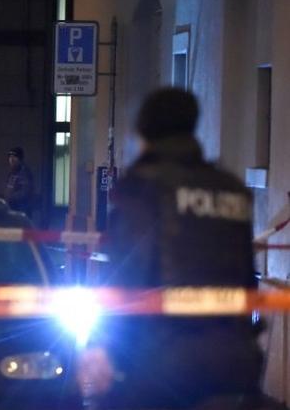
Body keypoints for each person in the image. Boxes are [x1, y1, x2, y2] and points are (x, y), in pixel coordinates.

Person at [84, 88, 269, 409]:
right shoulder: (231, 189)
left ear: (145, 129)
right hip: (233, 360)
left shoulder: (144, 187)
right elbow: (246, 277)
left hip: (160, 361)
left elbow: (126, 276)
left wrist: (101, 345)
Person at [3, 147, 34, 216]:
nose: (11, 159)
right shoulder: (12, 172)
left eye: (14, 157)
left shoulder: (24, 173)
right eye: (10, 157)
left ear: (20, 159)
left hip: (21, 210)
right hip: (11, 209)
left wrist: (10, 197)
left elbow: (24, 192)